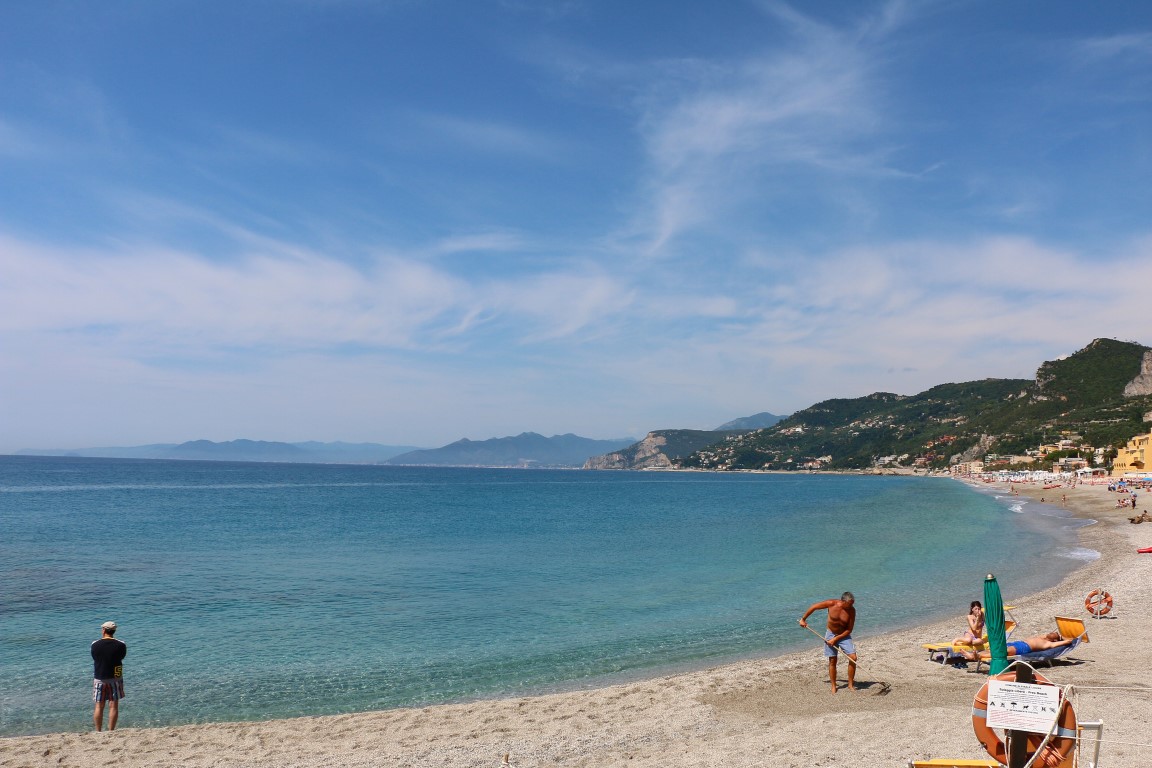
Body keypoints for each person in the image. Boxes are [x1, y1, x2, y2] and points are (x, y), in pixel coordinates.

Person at [799, 592, 857, 693]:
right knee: (832, 660)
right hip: (830, 634)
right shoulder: (831, 604)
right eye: (850, 604)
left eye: (853, 603)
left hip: (844, 635)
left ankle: (850, 684)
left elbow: (849, 630)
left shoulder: (851, 611)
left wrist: (836, 639)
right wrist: (803, 619)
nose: (852, 606)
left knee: (853, 658)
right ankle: (833, 686)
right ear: (843, 602)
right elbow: (814, 607)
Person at [91, 620, 127, 731]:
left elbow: (95, 658)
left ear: (103, 630)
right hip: (115, 676)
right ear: (114, 631)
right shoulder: (121, 644)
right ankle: (111, 730)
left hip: (100, 676)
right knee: (113, 705)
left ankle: (98, 730)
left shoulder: (95, 644)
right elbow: (122, 657)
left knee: (99, 706)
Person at [960, 631, 1078, 662]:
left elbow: (1068, 642)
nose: (1054, 632)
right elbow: (1049, 635)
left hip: (1023, 649)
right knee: (993, 649)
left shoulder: (1049, 643)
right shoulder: (1044, 637)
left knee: (1002, 652)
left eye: (1056, 634)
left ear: (1055, 639)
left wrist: (1064, 638)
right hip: (1018, 643)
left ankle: (977, 657)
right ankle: (975, 656)